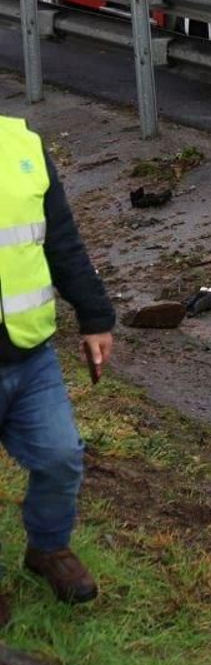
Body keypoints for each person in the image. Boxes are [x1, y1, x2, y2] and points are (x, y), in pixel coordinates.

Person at [0, 116, 114, 616]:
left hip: (30, 356)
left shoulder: (23, 143)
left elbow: (61, 240)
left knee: (60, 456)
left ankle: (47, 547)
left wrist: (95, 316)